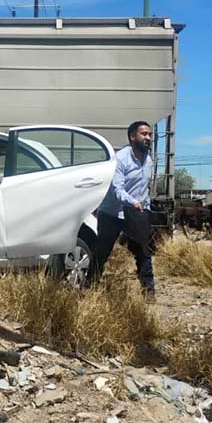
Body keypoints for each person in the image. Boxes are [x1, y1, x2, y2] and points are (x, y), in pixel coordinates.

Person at [89, 120, 156, 299]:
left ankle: (149, 291)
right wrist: (133, 202)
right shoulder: (121, 159)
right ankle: (89, 287)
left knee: (143, 252)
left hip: (135, 214)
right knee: (102, 252)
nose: (148, 138)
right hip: (112, 213)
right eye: (144, 134)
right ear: (132, 136)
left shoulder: (148, 160)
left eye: (149, 134)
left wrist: (145, 208)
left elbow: (144, 189)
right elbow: (117, 189)